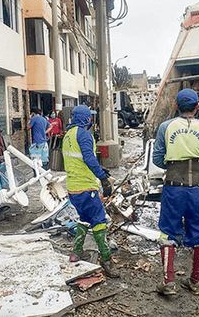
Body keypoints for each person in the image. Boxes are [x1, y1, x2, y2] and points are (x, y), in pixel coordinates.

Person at [152, 88, 199, 296]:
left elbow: (157, 159)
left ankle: (168, 283)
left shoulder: (165, 127)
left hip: (173, 188)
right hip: (197, 189)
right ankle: (195, 282)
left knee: (168, 232)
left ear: (176, 106)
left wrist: (174, 163)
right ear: (198, 107)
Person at [62, 105, 119, 278]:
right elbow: (88, 157)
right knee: (99, 221)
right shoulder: (84, 134)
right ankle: (107, 260)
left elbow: (80, 159)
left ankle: (76, 252)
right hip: (86, 187)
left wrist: (98, 169)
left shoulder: (68, 135)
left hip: (73, 188)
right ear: (87, 119)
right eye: (90, 117)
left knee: (85, 219)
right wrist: (102, 177)